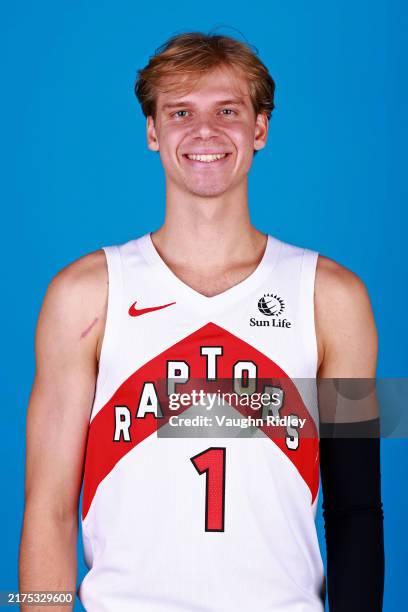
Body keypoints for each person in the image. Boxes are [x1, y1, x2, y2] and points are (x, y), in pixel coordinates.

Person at [19, 32, 384, 611]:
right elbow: (47, 506)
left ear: (260, 129)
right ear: (152, 131)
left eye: (228, 111)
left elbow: (357, 506)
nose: (204, 132)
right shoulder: (82, 295)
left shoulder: (337, 299)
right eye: (181, 112)